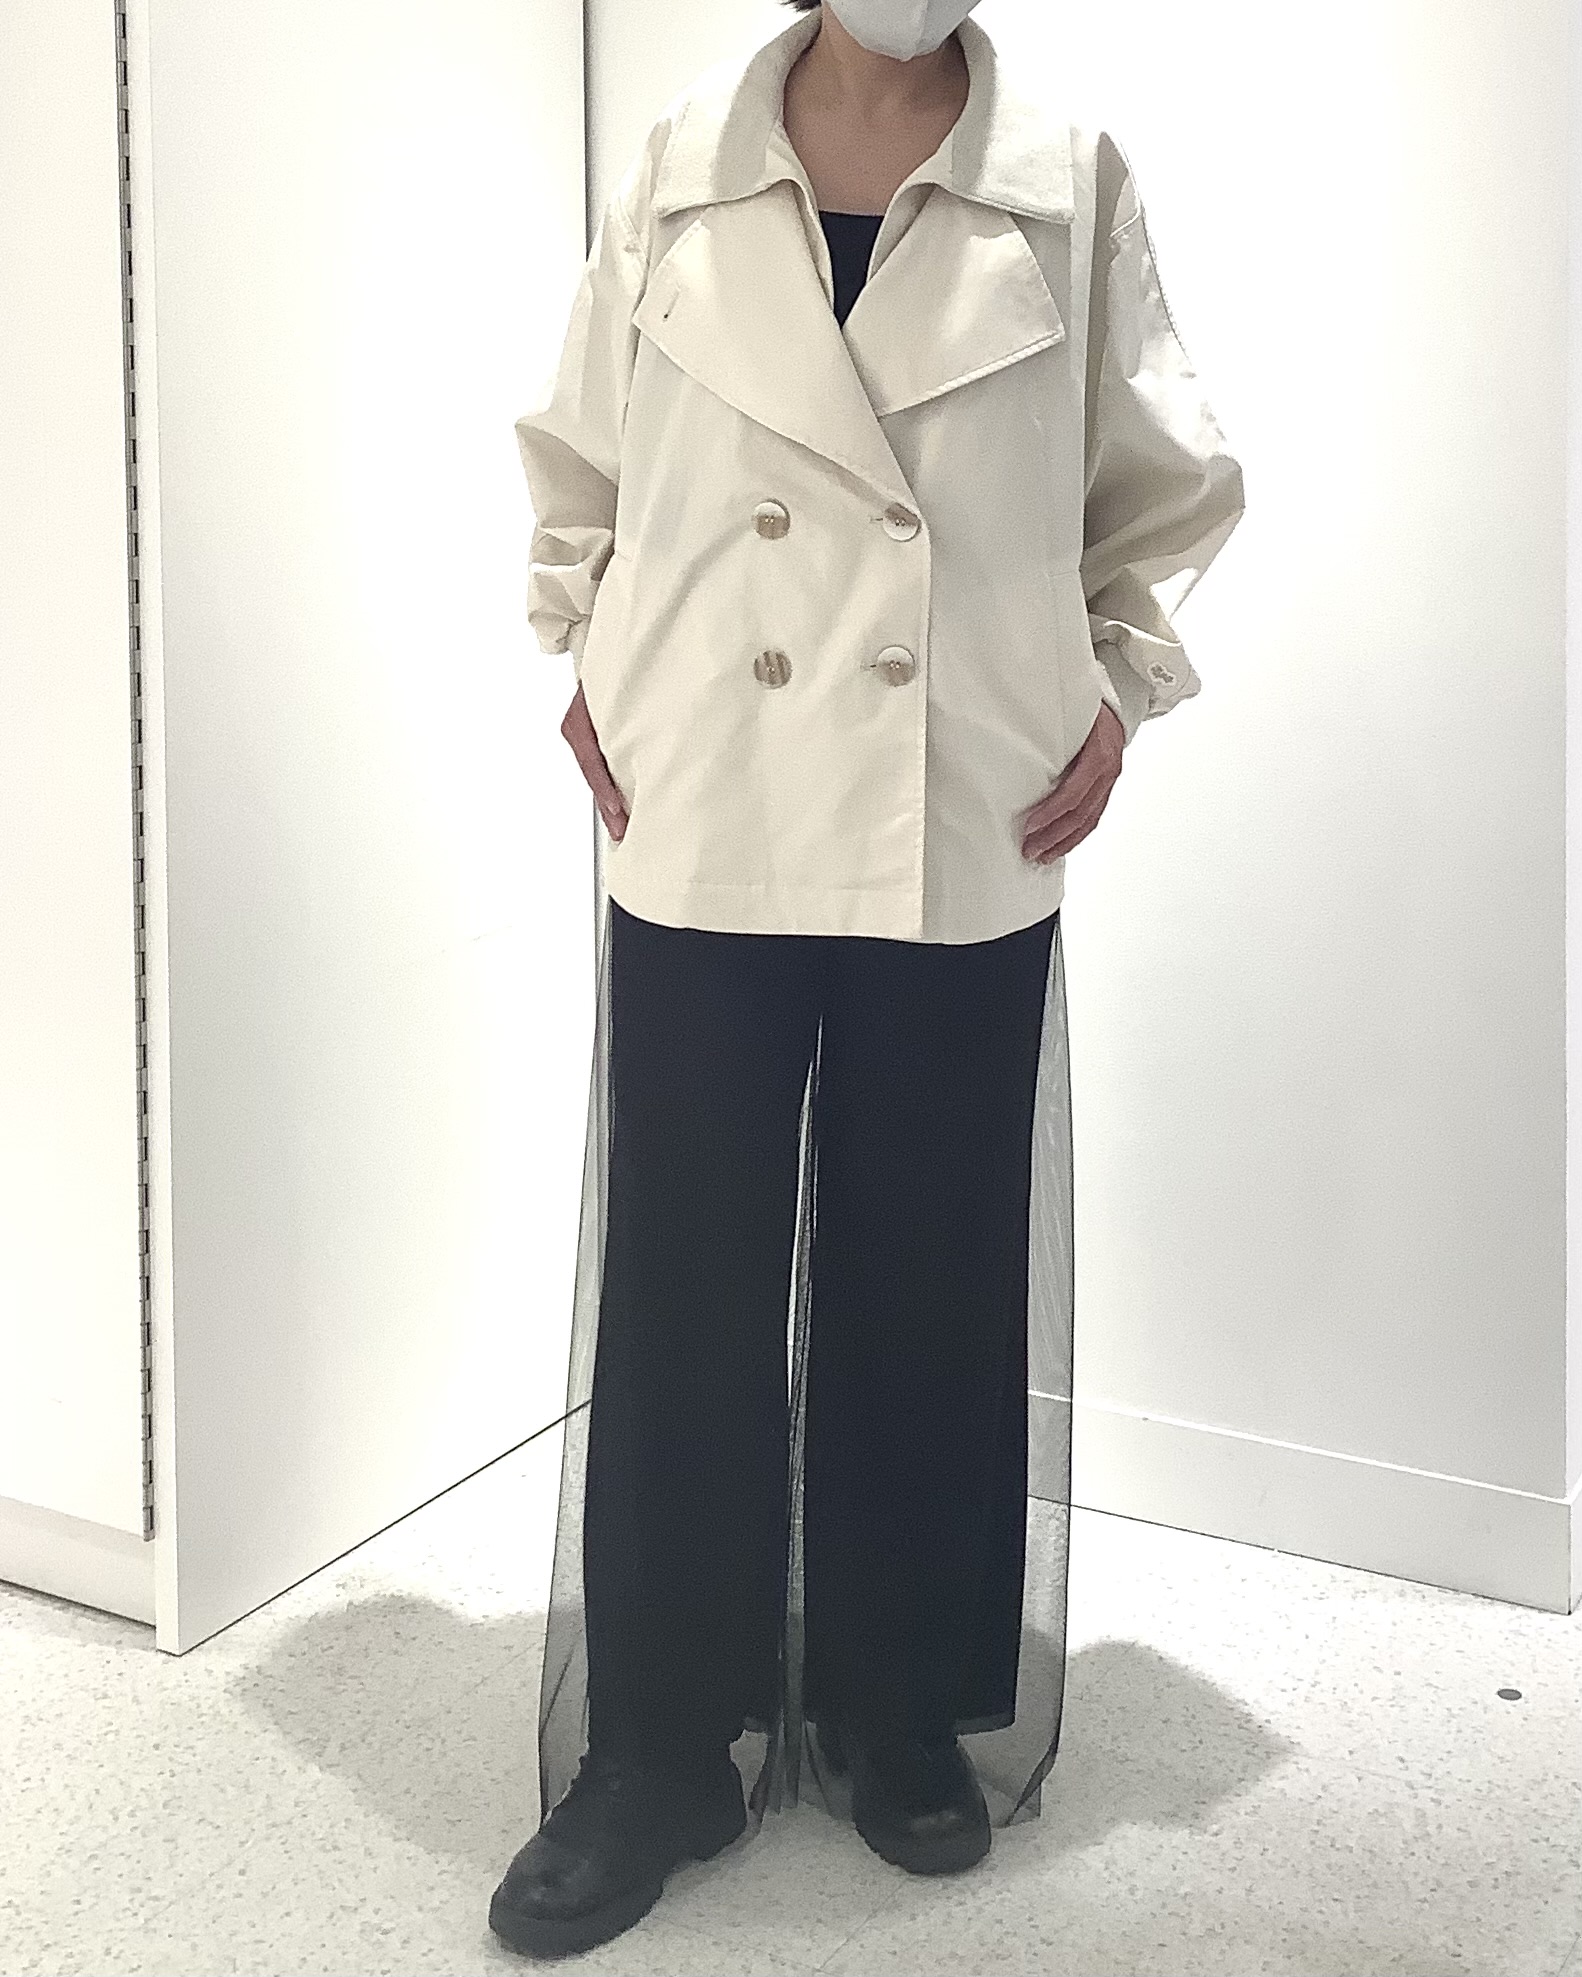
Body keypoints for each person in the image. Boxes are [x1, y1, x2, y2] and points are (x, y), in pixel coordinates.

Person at [490, 0, 1245, 1958]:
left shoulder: (1062, 178)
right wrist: (589, 643)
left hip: (960, 782)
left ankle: (894, 1696)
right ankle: (659, 1743)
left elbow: (1159, 479)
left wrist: (1116, 684)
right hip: (704, 776)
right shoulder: (682, 157)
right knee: (687, 1269)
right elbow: (579, 445)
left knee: (930, 1251)